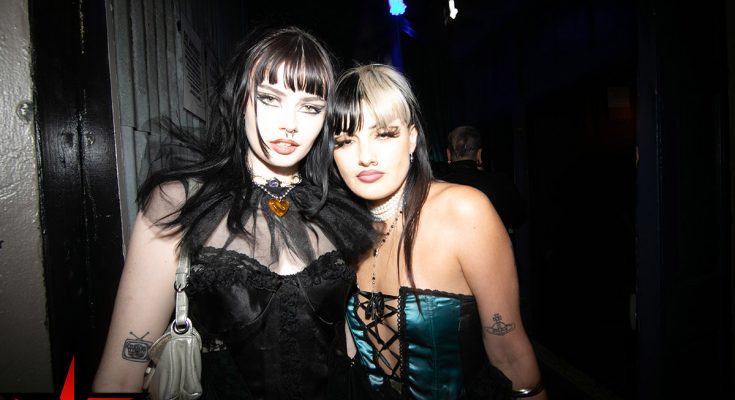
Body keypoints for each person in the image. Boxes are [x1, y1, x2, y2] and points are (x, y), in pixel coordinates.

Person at [92, 27, 375, 399]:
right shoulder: (181, 202)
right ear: (240, 99)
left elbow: (347, 344)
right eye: (269, 98)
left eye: (310, 107)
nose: (290, 123)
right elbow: (119, 378)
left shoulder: (339, 207)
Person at [329, 64, 546, 399]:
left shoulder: (464, 212)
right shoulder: (338, 227)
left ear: (412, 138)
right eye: (345, 141)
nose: (365, 156)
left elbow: (510, 355)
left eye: (384, 134)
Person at [443, 125, 526, 231]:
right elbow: (519, 217)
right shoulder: (501, 184)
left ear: (448, 154)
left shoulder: (436, 186)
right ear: (479, 154)